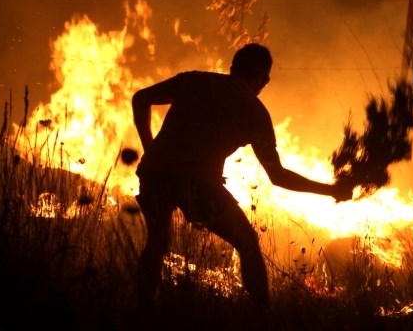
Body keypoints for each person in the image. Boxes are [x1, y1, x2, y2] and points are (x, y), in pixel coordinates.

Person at [132, 43, 352, 311]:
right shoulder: (255, 112)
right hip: (197, 182)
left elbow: (141, 98)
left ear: (233, 68)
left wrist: (150, 148)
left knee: (156, 242)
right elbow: (279, 176)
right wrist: (330, 190)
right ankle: (262, 316)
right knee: (247, 242)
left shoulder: (194, 80)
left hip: (154, 172)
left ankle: (140, 310)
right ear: (263, 78)